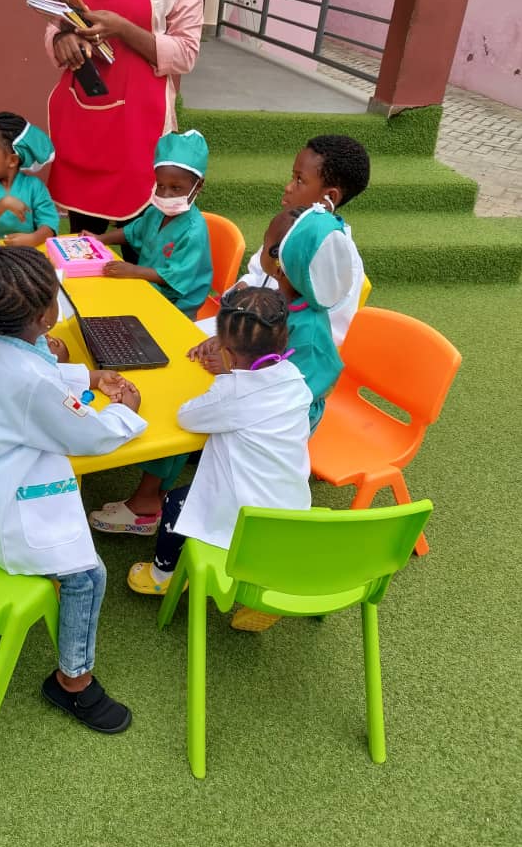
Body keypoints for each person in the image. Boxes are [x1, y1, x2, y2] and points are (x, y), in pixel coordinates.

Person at [0, 240, 147, 733]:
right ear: (47, 315)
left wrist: (84, 375)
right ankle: (73, 682)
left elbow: (34, 376)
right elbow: (86, 435)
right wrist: (123, 412)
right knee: (87, 576)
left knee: (72, 556)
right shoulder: (32, 380)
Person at [128, 287, 311, 633]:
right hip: (290, 511)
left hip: (244, 520)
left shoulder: (233, 393)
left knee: (177, 503)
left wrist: (224, 378)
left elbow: (187, 417)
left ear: (225, 351)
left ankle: (163, 575)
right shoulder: (296, 382)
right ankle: (267, 589)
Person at [45, 0, 204, 243]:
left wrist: (123, 28)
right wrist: (62, 38)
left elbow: (186, 54)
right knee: (81, 241)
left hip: (140, 128)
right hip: (84, 118)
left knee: (137, 242)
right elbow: (56, 23)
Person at [190, 205, 353, 434]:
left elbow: (287, 395)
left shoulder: (310, 335)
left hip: (287, 419)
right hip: (261, 393)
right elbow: (258, 336)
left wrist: (231, 369)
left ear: (278, 266)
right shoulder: (278, 300)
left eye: (265, 245)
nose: (261, 248)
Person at [84, 129, 213, 319]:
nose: (166, 194)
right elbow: (131, 232)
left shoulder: (194, 231)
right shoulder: (155, 213)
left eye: (176, 188)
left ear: (198, 186)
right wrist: (100, 239)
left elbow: (174, 277)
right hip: (145, 286)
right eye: (160, 186)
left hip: (175, 305)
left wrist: (133, 271)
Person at [279, 134, 370, 345]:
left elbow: (329, 335)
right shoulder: (290, 228)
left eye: (299, 180)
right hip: (250, 332)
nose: (289, 187)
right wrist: (245, 284)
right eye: (292, 177)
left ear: (330, 197)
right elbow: (260, 270)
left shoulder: (338, 259)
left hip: (288, 355)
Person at [0, 112, 60, 245]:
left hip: (28, 255)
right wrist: (4, 204)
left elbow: (49, 225)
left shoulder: (35, 187)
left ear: (12, 160)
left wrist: (33, 239)